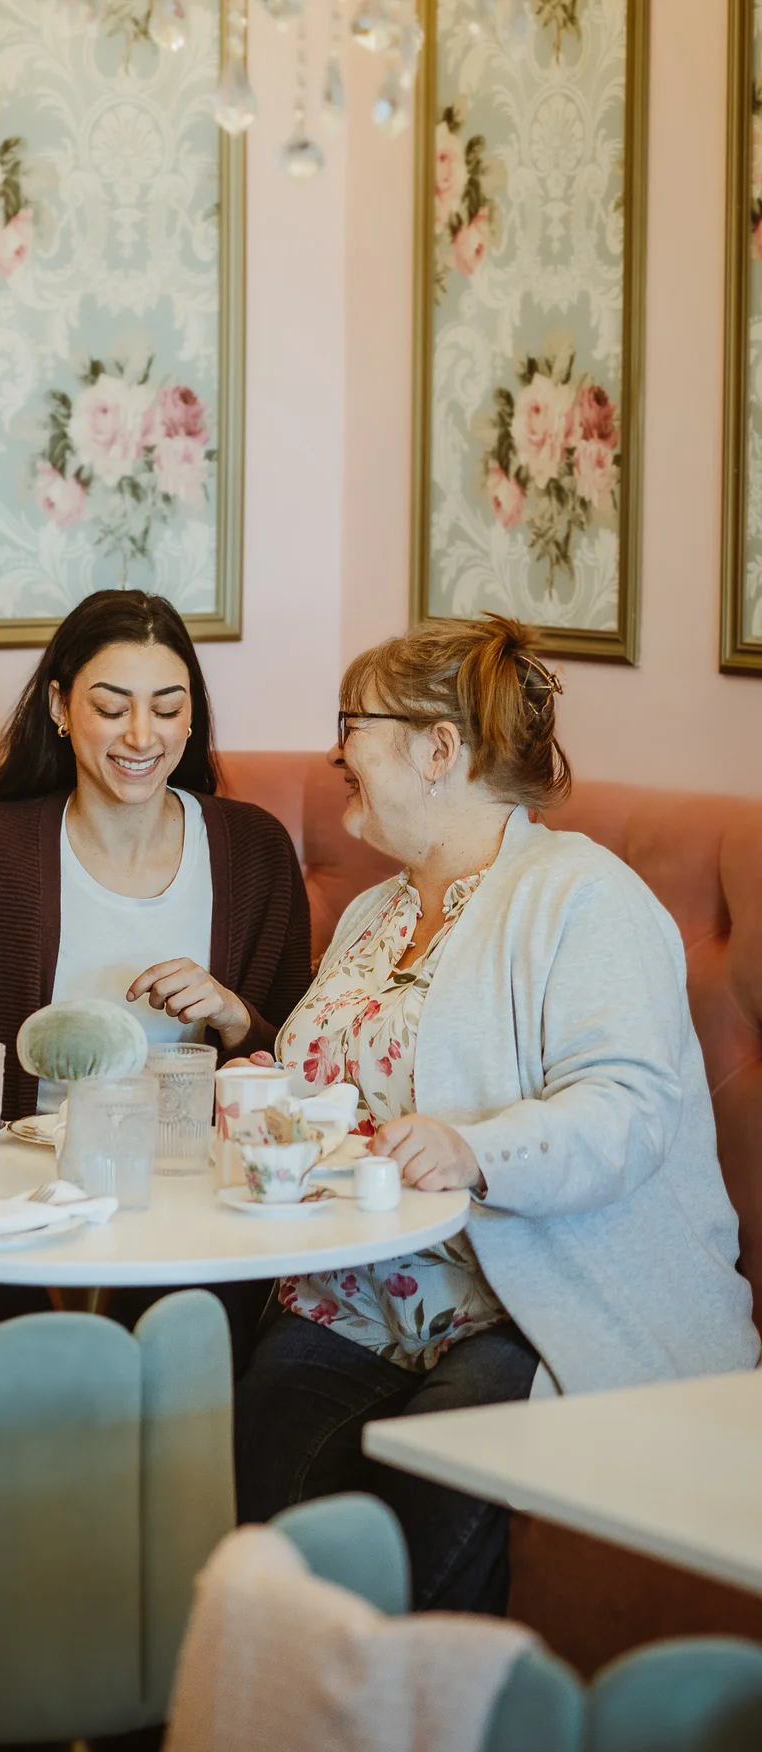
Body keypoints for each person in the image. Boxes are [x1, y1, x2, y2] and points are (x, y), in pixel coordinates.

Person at [234, 614, 758, 1614]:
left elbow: (629, 1112)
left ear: (439, 749)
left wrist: (474, 1150)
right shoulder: (374, 911)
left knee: (438, 1493)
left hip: (541, 1294)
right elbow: (351, 1086)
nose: (331, 750)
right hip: (365, 1292)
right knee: (269, 1481)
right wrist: (282, 1099)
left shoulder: (582, 899)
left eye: (352, 722)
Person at [0, 588, 312, 1353]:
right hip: (6, 1198)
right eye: (111, 705)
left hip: (190, 1204)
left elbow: (303, 1070)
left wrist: (233, 1017)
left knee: (188, 1320)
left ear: (192, 717)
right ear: (60, 706)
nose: (141, 734)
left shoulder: (254, 850)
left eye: (167, 707)